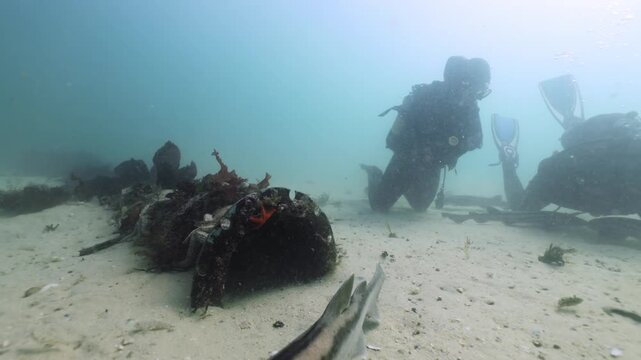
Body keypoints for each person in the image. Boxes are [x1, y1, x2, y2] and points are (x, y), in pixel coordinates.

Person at [494, 74, 641, 216]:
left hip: (583, 189)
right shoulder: (615, 131)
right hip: (614, 197)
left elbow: (558, 161)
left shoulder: (607, 129)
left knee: (521, 207)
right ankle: (509, 162)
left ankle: (508, 160)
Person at [361, 56, 491, 212]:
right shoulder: (428, 95)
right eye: (478, 87)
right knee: (379, 206)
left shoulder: (469, 107)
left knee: (420, 206)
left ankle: (402, 186)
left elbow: (477, 139)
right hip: (405, 161)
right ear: (465, 82)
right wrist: (422, 152)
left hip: (433, 164)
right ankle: (375, 175)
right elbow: (404, 133)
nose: (478, 93)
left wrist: (449, 152)